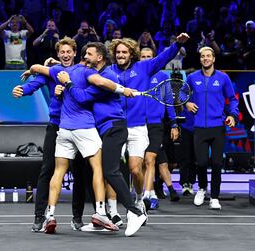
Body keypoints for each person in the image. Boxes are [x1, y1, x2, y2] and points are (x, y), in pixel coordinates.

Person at [56, 42, 146, 236]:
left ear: (100, 57)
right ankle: (100, 218)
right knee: (101, 172)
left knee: (111, 171)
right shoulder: (93, 73)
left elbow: (81, 97)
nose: (85, 56)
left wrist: (68, 83)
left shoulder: (106, 76)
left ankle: (136, 212)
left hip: (114, 127)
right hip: (103, 129)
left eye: (88, 54)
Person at [108, 33, 189, 214]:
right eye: (118, 52)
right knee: (111, 170)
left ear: (131, 54)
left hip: (138, 126)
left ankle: (140, 199)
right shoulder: (108, 70)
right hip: (115, 125)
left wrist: (176, 44)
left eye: (124, 52)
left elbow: (163, 58)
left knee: (136, 170)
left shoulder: (144, 68)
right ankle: (111, 212)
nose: (121, 55)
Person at [13, 38, 87, 232]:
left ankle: (77, 217)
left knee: (79, 172)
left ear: (74, 52)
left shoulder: (80, 71)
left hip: (78, 127)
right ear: (58, 54)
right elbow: (35, 84)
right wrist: (23, 90)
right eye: (62, 52)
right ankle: (39, 217)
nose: (65, 55)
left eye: (68, 51)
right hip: (55, 126)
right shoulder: (52, 72)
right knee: (47, 171)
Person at [186, 47, 238, 210]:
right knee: (201, 163)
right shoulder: (192, 77)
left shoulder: (223, 78)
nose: (206, 58)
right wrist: (186, 103)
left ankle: (214, 197)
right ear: (200, 59)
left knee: (216, 163)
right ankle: (201, 188)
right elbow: (181, 94)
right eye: (203, 56)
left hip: (217, 127)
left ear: (214, 59)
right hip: (199, 127)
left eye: (208, 56)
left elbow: (232, 99)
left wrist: (233, 115)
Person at [139, 47, 179, 209]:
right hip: (138, 124)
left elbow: (169, 102)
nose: (146, 59)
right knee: (140, 162)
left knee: (152, 159)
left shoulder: (163, 76)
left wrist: (174, 124)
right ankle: (146, 194)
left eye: (149, 56)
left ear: (154, 58)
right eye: (143, 56)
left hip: (156, 124)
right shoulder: (136, 75)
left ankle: (150, 194)